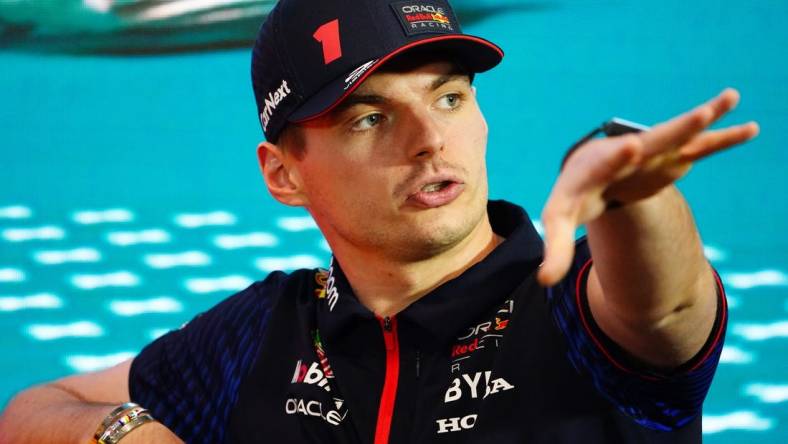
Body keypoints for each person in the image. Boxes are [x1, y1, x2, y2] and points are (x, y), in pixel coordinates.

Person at [0, 0, 759, 443]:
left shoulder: (570, 309)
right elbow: (34, 410)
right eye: (370, 117)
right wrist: (128, 434)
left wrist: (632, 195)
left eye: (450, 97)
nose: (431, 138)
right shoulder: (263, 332)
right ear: (284, 173)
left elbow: (666, 309)